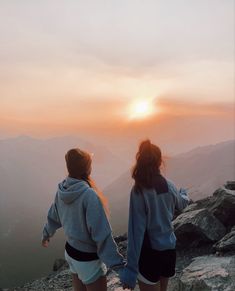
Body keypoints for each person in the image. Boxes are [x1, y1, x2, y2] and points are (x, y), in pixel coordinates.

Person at [42, 148, 124, 291]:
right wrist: (119, 266)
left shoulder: (62, 189)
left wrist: (46, 234)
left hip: (71, 253)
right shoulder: (89, 195)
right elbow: (102, 235)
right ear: (87, 169)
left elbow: (54, 214)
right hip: (87, 259)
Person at [120, 140, 189, 291]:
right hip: (169, 252)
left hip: (149, 254)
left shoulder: (139, 191)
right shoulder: (169, 185)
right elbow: (182, 204)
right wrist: (184, 194)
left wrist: (131, 269)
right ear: (159, 161)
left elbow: (135, 232)